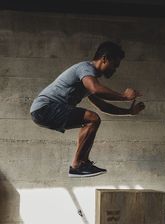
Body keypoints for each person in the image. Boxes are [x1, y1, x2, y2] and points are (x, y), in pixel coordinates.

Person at [30, 41, 145, 177]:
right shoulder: (85, 68)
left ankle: (82, 163)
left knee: (91, 120)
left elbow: (103, 106)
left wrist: (129, 112)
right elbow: (95, 89)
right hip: (44, 108)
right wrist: (124, 97)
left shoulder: (88, 80)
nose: (115, 69)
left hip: (43, 111)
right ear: (104, 58)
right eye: (115, 65)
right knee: (92, 118)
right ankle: (77, 165)